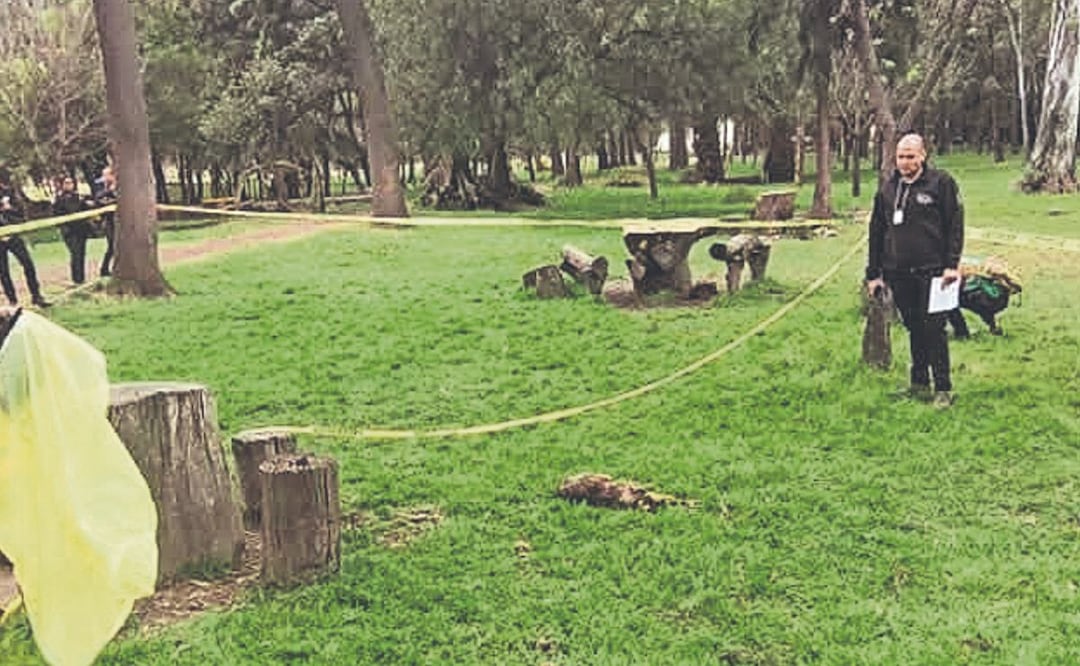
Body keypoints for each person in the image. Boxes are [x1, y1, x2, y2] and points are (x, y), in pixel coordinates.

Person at [865, 133, 964, 409]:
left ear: (923, 156)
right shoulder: (887, 189)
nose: (905, 162)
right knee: (914, 328)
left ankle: (943, 387)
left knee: (934, 329)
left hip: (934, 273)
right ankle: (919, 382)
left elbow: (955, 226)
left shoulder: (941, 184)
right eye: (900, 156)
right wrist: (874, 274)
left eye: (910, 156)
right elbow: (876, 232)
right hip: (898, 272)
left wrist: (951, 265)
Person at [0, 168, 49, 308]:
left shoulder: (9, 192)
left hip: (13, 234)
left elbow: (21, 212)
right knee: (3, 271)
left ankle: (36, 296)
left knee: (28, 264)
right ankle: (12, 300)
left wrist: (8, 209)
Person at [52, 174, 92, 284]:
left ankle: (81, 278)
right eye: (66, 183)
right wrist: (63, 228)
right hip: (69, 231)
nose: (69, 185)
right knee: (75, 253)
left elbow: (85, 209)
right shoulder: (59, 199)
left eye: (71, 183)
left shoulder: (79, 197)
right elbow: (57, 215)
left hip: (81, 230)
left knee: (82, 253)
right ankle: (76, 279)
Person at [92, 164, 118, 277]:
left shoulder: (120, 187)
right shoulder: (103, 188)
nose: (104, 178)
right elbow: (98, 199)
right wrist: (109, 192)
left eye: (106, 175)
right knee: (112, 246)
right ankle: (104, 269)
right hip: (108, 221)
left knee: (117, 246)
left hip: (119, 221)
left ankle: (111, 268)